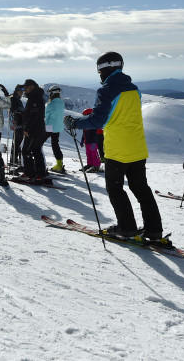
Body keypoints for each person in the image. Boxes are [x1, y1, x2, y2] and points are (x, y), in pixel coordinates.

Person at [64, 51, 164, 242]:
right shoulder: (134, 89)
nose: (99, 75)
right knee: (141, 188)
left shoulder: (106, 90)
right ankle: (154, 229)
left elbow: (98, 120)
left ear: (104, 69)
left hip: (118, 149)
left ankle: (127, 227)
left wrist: (75, 123)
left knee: (115, 188)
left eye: (99, 71)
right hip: (137, 147)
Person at [20, 79, 47, 180]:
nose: (24, 90)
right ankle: (40, 173)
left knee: (26, 151)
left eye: (25, 88)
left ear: (31, 87)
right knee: (36, 150)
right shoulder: (36, 97)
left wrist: (27, 128)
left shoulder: (34, 99)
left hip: (34, 130)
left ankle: (29, 173)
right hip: (38, 128)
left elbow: (35, 116)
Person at [44, 84, 66, 173]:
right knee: (55, 144)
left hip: (50, 126)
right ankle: (59, 164)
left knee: (38, 144)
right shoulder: (61, 102)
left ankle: (38, 164)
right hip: (58, 127)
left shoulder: (50, 104)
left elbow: (46, 116)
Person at [79, 108, 102, 172]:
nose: (83, 117)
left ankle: (96, 166)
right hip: (87, 142)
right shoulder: (86, 124)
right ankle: (90, 164)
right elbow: (84, 134)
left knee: (94, 154)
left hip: (93, 142)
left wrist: (95, 141)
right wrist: (82, 141)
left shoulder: (93, 123)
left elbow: (97, 133)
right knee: (88, 154)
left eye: (84, 115)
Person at [9, 84, 25, 168]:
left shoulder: (17, 99)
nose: (22, 93)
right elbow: (14, 110)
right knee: (17, 143)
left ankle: (15, 160)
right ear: (17, 91)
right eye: (21, 91)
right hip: (18, 124)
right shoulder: (14, 99)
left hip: (19, 123)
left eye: (22, 91)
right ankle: (14, 161)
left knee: (17, 143)